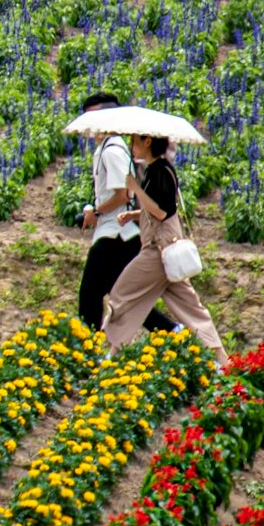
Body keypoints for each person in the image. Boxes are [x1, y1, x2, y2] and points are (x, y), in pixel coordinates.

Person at [98, 132, 221, 350]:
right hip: (166, 251)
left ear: (148, 142)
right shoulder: (156, 169)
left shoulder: (161, 171)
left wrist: (135, 188)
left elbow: (162, 212)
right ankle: (220, 359)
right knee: (191, 308)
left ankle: (111, 349)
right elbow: (156, 209)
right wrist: (133, 215)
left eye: (135, 141)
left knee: (120, 294)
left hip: (158, 251)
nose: (131, 146)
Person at [74, 102, 143, 330]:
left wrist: (95, 212)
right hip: (121, 235)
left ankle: (87, 352)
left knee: (89, 296)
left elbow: (122, 195)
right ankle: (173, 331)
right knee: (124, 299)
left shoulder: (112, 151)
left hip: (114, 236)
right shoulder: (111, 148)